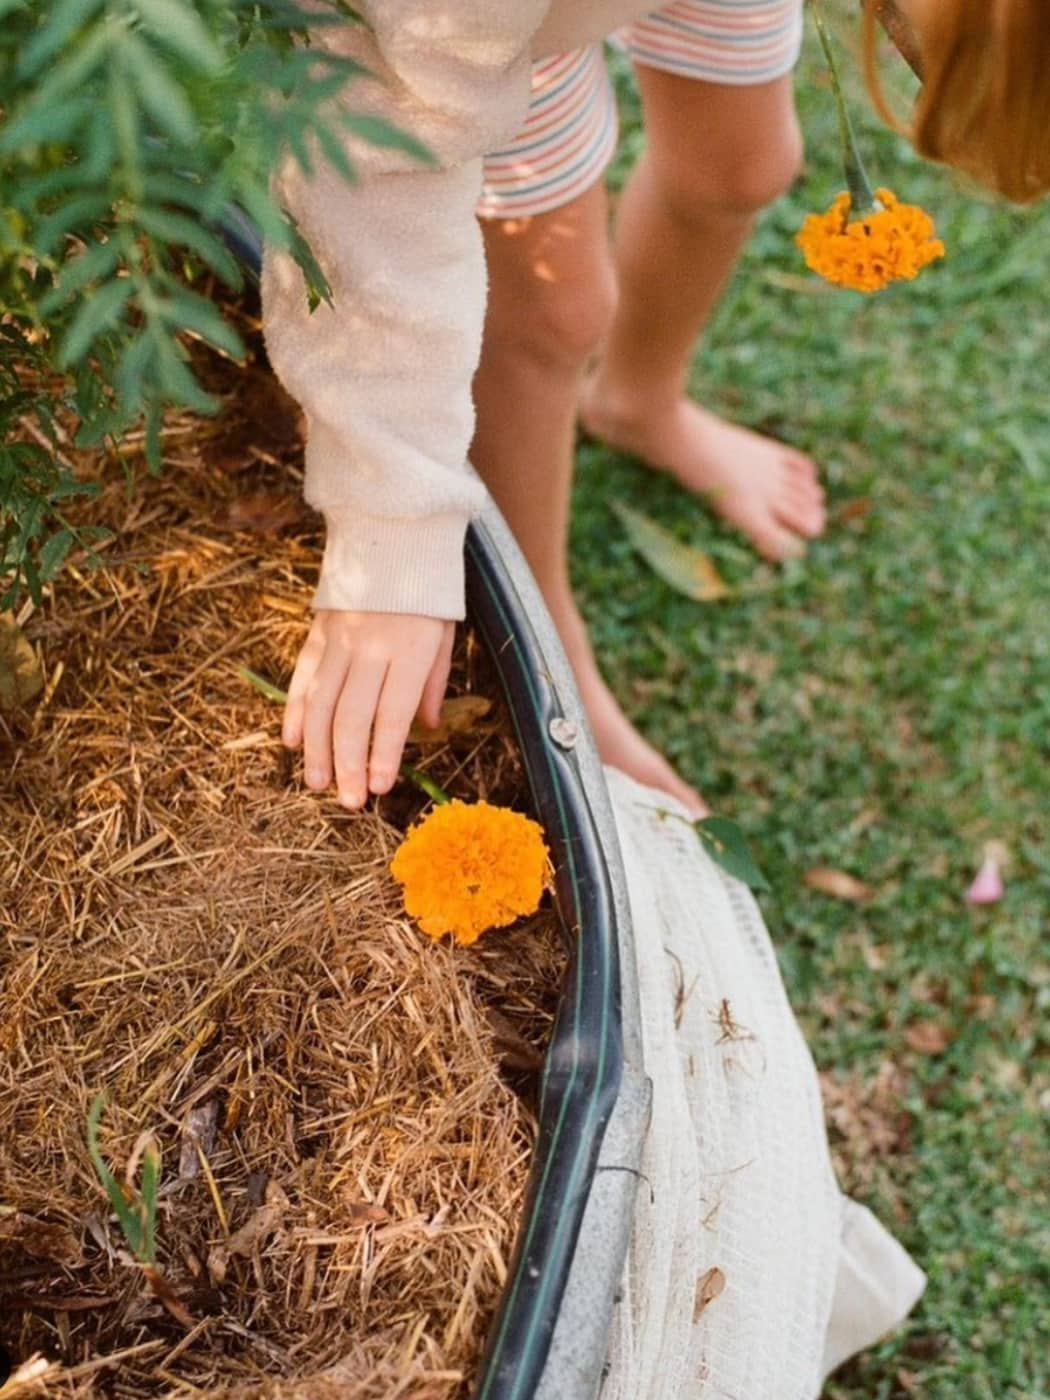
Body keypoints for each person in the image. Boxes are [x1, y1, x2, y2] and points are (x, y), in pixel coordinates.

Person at [262, 0, 1048, 816]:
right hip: (460, 32)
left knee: (739, 164)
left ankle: (640, 402)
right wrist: (391, 526)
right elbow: (374, 149)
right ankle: (545, 640)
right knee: (553, 303)